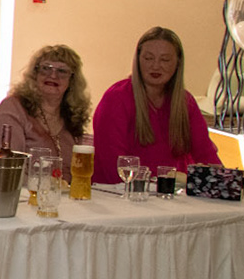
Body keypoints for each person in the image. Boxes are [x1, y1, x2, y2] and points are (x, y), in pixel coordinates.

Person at [90, 26, 221, 179]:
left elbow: (206, 154)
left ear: (178, 63)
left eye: (165, 60)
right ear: (138, 60)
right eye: (148, 58)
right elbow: (112, 165)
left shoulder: (185, 102)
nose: (156, 66)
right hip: (119, 190)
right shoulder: (117, 98)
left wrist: (223, 180)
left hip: (171, 191)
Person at [0, 44, 92, 175]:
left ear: (72, 80)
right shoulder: (13, 109)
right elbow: (5, 169)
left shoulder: (72, 116)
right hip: (22, 188)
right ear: (35, 74)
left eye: (62, 71)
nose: (53, 75)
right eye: (46, 68)